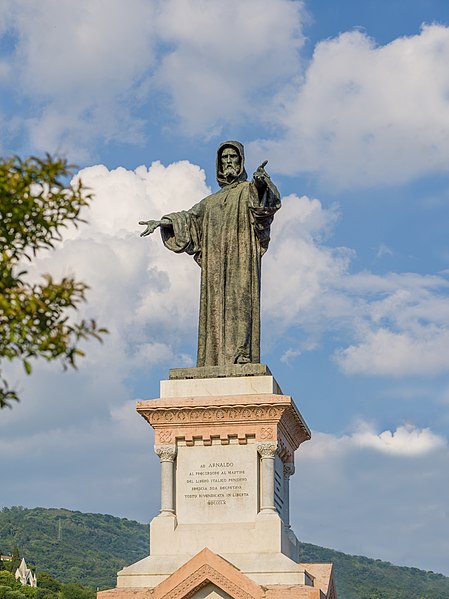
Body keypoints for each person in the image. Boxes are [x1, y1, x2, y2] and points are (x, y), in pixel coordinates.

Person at [139, 141, 281, 367]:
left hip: (241, 259)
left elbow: (265, 205)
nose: (228, 162)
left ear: (241, 161)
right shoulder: (211, 202)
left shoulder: (248, 191)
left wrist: (263, 183)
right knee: (214, 309)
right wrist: (162, 222)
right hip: (215, 265)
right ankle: (214, 359)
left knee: (241, 302)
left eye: (232, 157)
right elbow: (189, 218)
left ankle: (241, 354)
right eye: (224, 158)